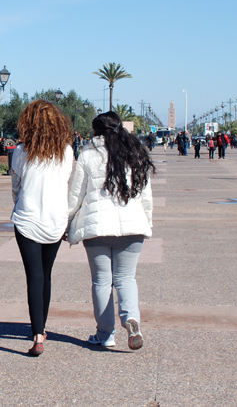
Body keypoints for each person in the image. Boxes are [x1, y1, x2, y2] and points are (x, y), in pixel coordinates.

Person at [67, 111, 154, 351]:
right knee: (126, 278)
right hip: (133, 227)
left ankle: (105, 334)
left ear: (95, 132)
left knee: (102, 281)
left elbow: (76, 195)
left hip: (97, 228)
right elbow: (146, 197)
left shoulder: (87, 156)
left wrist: (67, 220)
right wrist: (147, 223)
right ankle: (131, 319)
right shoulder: (136, 154)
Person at [10, 100, 74, 356]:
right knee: (46, 274)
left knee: (33, 276)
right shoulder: (66, 151)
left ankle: (37, 334)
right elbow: (68, 182)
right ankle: (43, 326)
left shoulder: (22, 151)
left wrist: (19, 201)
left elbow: (16, 183)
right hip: (56, 220)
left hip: (27, 219)